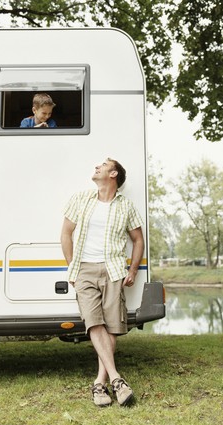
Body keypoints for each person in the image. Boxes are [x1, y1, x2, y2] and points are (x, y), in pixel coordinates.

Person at [60, 158, 144, 407]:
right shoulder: (81, 199)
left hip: (113, 270)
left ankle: (100, 383)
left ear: (114, 173)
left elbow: (138, 240)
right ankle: (117, 379)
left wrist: (133, 269)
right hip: (84, 270)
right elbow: (66, 233)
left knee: (110, 327)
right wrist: (72, 265)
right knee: (93, 323)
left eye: (103, 165)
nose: (96, 166)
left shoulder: (126, 206)